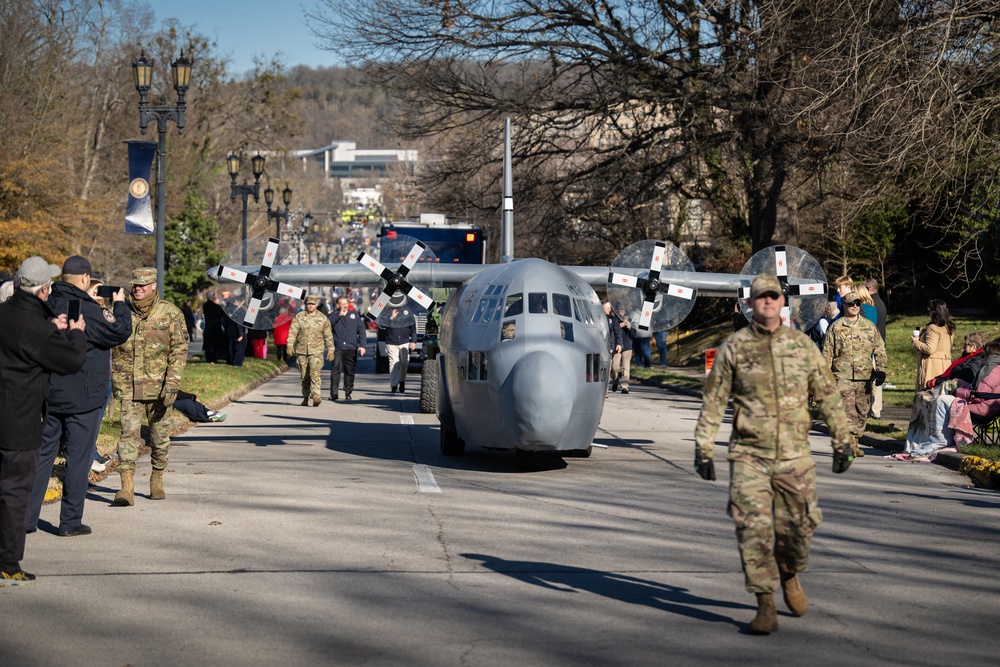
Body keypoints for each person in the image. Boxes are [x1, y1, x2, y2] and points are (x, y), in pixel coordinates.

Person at [693, 274, 853, 635]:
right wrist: (703, 448)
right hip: (749, 455)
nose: (767, 302)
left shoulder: (802, 347)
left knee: (799, 531)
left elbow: (828, 395)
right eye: (760, 298)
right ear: (750, 303)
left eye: (773, 297)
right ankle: (765, 603)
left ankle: (790, 574)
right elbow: (715, 401)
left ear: (783, 302)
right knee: (752, 530)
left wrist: (842, 440)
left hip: (795, 457)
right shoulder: (734, 348)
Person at [25, 256, 131, 537]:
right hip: (83, 396)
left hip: (49, 393)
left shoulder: (47, 305)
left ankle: (26, 518)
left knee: (44, 455)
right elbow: (120, 331)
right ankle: (70, 522)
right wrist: (119, 303)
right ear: (85, 278)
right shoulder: (88, 311)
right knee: (78, 458)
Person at [0, 256, 86, 585]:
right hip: (19, 424)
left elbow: (25, 339)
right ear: (45, 289)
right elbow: (71, 361)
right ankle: (8, 562)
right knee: (14, 493)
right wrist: (75, 333)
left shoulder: (6, 313)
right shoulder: (35, 327)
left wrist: (52, 328)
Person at [111, 268, 188, 506]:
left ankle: (157, 478)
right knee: (128, 436)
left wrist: (173, 382)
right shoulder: (122, 313)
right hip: (128, 387)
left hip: (159, 388)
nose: (138, 288)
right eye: (135, 284)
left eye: (143, 285)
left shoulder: (171, 313)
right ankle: (127, 487)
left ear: (154, 285)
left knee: (159, 436)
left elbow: (179, 350)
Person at [905, 341, 1000, 457]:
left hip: (983, 410)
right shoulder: (993, 367)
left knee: (942, 401)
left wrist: (957, 391)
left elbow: (978, 396)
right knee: (943, 399)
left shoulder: (992, 370)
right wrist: (961, 383)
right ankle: (938, 436)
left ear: (990, 354)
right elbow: (977, 390)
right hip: (985, 404)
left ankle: (942, 438)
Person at [823, 291, 887, 457]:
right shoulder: (836, 328)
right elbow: (827, 353)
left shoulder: (868, 326)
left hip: (864, 375)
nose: (855, 307)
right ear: (844, 305)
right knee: (846, 411)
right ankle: (849, 443)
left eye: (857, 304)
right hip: (842, 375)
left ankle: (855, 441)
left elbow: (879, 348)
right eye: (851, 304)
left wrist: (881, 369)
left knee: (861, 411)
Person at [287, 295, 334, 406]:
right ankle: (306, 396)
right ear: (306, 305)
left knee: (315, 373)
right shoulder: (299, 317)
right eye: (309, 304)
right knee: (304, 376)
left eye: (313, 304)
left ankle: (316, 395)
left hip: (316, 351)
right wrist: (289, 345)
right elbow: (292, 332)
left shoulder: (323, 318)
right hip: (301, 351)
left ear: (316, 305)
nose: (311, 306)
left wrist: (331, 350)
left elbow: (328, 336)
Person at [328, 295, 366, 401]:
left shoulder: (354, 316)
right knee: (335, 370)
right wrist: (338, 315)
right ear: (337, 305)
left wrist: (362, 346)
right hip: (337, 347)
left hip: (351, 348)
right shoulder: (333, 315)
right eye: (342, 303)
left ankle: (348, 392)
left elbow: (361, 331)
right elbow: (327, 325)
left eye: (346, 303)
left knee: (349, 371)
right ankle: (334, 393)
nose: (345, 305)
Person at [912, 299, 955, 390]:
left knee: (927, 397)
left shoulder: (933, 328)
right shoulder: (949, 327)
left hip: (932, 367)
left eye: (929, 309)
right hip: (945, 366)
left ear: (934, 312)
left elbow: (929, 349)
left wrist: (916, 342)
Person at [383, 294, 417, 393]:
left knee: (404, 362)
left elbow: (413, 328)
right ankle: (394, 385)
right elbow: (381, 324)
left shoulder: (407, 311)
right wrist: (391, 318)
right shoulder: (387, 311)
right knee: (393, 363)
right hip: (391, 341)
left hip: (404, 341)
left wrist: (413, 341)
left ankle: (402, 381)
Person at [603, 301, 623, 394]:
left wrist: (619, 344)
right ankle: (605, 391)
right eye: (608, 308)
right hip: (604, 348)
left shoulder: (613, 319)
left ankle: (615, 381)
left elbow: (618, 332)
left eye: (610, 308)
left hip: (614, 347)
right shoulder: (598, 318)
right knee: (607, 369)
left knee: (615, 368)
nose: (610, 309)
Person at [615, 303, 635, 394]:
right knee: (615, 367)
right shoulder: (614, 319)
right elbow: (609, 331)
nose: (621, 311)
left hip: (627, 346)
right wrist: (618, 326)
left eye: (623, 309)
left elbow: (634, 335)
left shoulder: (629, 320)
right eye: (619, 309)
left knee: (626, 367)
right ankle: (615, 381)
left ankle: (625, 386)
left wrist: (629, 328)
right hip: (616, 346)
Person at [201, 291, 225, 364]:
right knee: (214, 345)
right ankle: (213, 359)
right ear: (211, 296)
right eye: (214, 295)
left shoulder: (205, 305)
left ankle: (208, 358)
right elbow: (221, 313)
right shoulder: (216, 307)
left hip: (208, 327)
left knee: (209, 345)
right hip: (215, 328)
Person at [863, 278, 887, 343]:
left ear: (869, 288)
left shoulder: (871, 304)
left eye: (863, 288)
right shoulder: (881, 302)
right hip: (881, 340)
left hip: (875, 343)